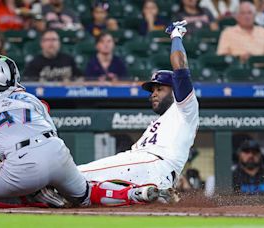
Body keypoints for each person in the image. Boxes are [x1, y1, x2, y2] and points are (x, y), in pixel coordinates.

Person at [0, 54, 171, 208]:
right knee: (87, 194)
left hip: (22, 165)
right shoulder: (30, 98)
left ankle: (35, 199)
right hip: (56, 151)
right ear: (12, 77)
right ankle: (135, 193)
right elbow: (51, 129)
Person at [78, 21, 199, 197]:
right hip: (152, 173)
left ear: (175, 91)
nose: (154, 94)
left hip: (151, 162)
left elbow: (180, 69)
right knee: (93, 193)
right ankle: (145, 194)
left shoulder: (184, 109)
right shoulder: (158, 122)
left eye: (160, 89)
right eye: (152, 91)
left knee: (76, 176)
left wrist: (176, 36)